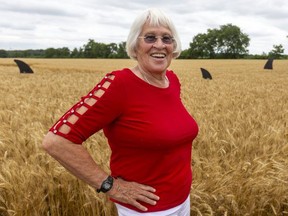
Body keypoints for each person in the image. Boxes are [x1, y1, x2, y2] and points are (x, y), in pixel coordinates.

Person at [42, 8, 198, 216]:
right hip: (147, 211)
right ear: (135, 45)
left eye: (167, 38)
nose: (159, 45)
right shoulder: (119, 84)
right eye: (150, 37)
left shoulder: (172, 81)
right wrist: (111, 186)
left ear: (174, 46)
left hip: (181, 201)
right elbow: (56, 141)